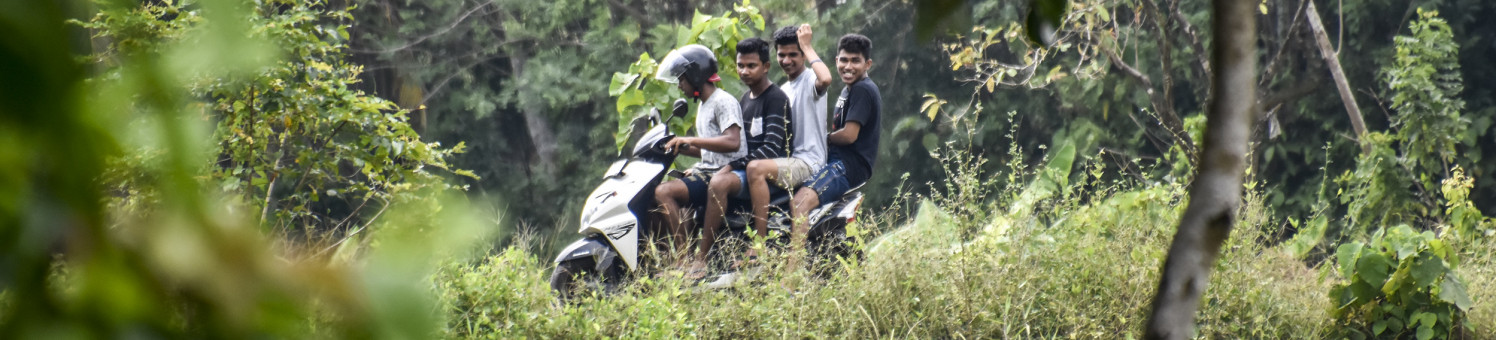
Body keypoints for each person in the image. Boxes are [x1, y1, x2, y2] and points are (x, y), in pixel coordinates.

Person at [690, 37, 791, 276]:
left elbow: (772, 149)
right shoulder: (745, 100)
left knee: (719, 182)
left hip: (766, 171)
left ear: (766, 66)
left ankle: (703, 258)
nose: (744, 71)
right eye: (740, 65)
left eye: (751, 66)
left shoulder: (776, 99)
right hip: (744, 169)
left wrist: (731, 166)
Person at [788, 33, 880, 273]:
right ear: (836, 59)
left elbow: (849, 135)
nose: (848, 66)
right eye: (843, 60)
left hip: (848, 166)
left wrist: (823, 140)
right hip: (839, 162)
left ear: (867, 64)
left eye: (855, 61)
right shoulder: (850, 89)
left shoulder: (862, 90)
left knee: (800, 203)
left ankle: (791, 275)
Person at [741, 24, 833, 262]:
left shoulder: (810, 79)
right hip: (788, 160)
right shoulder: (782, 90)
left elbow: (826, 78)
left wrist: (808, 46)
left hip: (809, 161)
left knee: (755, 168)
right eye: (782, 55)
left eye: (794, 54)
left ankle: (759, 245)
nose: (787, 60)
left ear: (803, 55)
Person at [651, 45, 745, 268]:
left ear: (696, 75)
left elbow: (732, 141)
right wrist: (680, 147)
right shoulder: (704, 106)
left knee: (663, 192)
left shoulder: (723, 101)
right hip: (708, 170)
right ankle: (668, 261)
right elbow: (709, 148)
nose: (680, 85)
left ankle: (686, 260)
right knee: (654, 200)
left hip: (724, 173)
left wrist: (691, 139)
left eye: (682, 79)